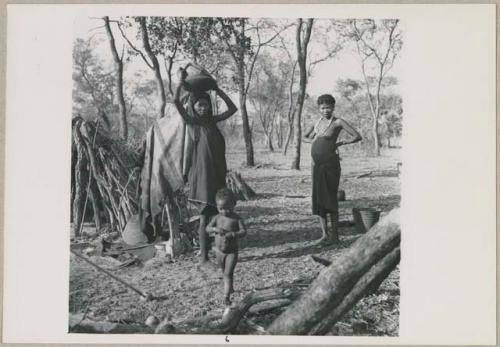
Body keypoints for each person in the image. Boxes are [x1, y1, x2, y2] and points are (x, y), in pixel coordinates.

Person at [174, 69, 237, 266]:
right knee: (203, 217)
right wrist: (180, 82)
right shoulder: (193, 123)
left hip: (217, 173)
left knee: (219, 215)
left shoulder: (213, 121)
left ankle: (219, 250)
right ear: (194, 107)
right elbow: (177, 103)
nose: (202, 107)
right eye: (199, 105)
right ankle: (202, 256)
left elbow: (232, 108)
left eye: (205, 104)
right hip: (201, 176)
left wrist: (217, 90)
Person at [303, 94, 362, 244]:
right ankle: (324, 235)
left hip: (331, 165)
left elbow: (357, 136)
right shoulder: (317, 123)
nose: (325, 110)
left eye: (328, 107)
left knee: (330, 198)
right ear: (319, 109)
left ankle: (335, 236)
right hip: (316, 165)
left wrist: (342, 142)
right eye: (322, 108)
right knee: (318, 199)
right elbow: (303, 137)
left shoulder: (338, 122)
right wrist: (314, 140)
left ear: (333, 107)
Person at [206, 188, 247, 307]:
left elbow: (244, 232)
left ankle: (226, 297)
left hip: (231, 252)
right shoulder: (217, 218)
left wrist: (233, 234)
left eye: (227, 208)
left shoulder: (237, 219)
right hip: (219, 251)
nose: (224, 211)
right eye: (220, 208)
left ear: (234, 204)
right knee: (224, 272)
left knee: (228, 273)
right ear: (217, 207)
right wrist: (215, 229)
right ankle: (231, 287)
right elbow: (207, 228)